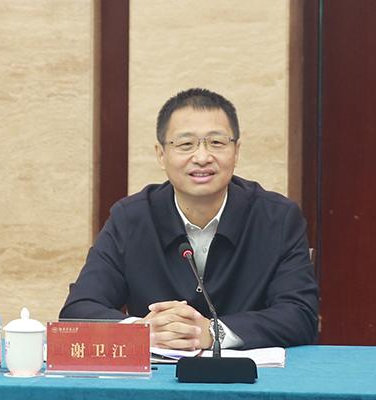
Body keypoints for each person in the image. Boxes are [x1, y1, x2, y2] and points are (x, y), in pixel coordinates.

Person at [60, 88, 319, 351]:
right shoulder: (131, 218)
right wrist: (142, 331)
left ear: (236, 151)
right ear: (161, 154)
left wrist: (213, 332)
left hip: (251, 374)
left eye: (216, 143)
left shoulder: (277, 218)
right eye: (186, 144)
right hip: (157, 375)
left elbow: (300, 315)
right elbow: (78, 311)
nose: (202, 157)